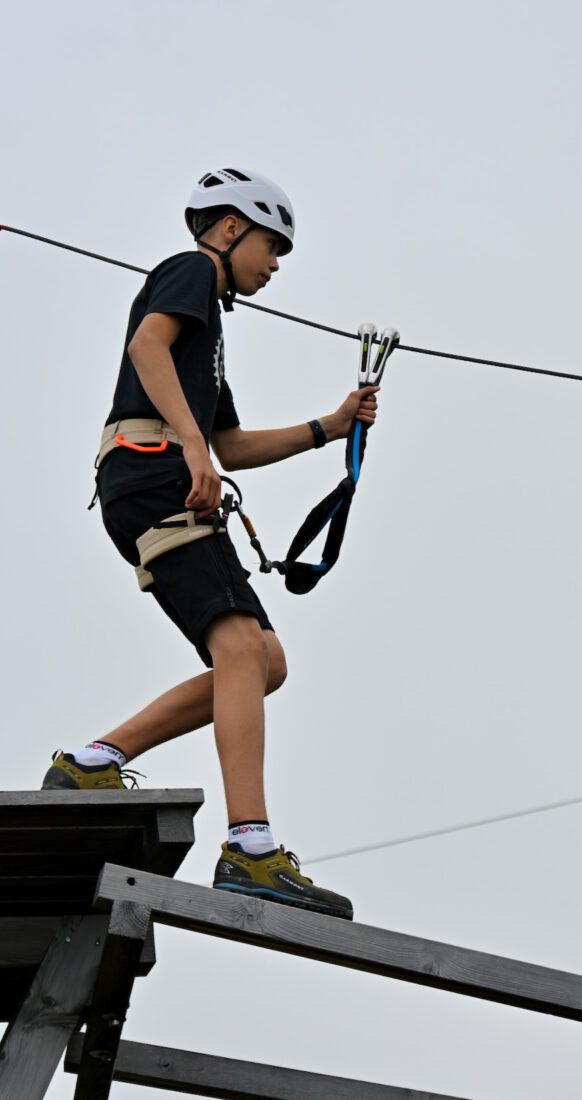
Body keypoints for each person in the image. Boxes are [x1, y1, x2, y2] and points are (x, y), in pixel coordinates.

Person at [41, 167, 379, 921]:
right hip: (156, 474)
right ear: (230, 229)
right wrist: (190, 448)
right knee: (239, 645)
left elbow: (231, 445)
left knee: (265, 661)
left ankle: (94, 762)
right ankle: (251, 848)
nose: (275, 263)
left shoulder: (208, 334)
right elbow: (147, 346)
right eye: (271, 245)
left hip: (158, 476)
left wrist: (329, 427)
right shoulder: (191, 271)